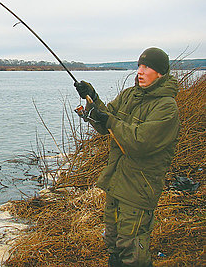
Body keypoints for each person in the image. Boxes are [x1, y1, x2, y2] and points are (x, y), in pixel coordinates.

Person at [74, 47, 180, 267]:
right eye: (139, 66)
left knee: (132, 247)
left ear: (160, 73)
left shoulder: (167, 107)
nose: (140, 71)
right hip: (117, 181)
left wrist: (109, 121)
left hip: (140, 187)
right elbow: (105, 123)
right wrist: (92, 98)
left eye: (146, 67)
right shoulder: (130, 95)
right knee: (112, 242)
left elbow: (139, 143)